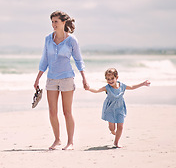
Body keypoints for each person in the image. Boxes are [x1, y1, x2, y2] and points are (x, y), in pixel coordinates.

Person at [34, 10, 89, 150]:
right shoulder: (48, 39)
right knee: (52, 111)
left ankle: (70, 142)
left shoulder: (72, 40)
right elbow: (44, 60)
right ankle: (57, 139)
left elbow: (78, 60)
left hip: (67, 78)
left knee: (67, 112)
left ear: (64, 22)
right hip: (51, 78)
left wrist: (84, 78)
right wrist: (37, 78)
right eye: (52, 22)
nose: (53, 24)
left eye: (56, 21)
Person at [85, 68, 150, 148]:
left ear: (117, 78)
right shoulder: (107, 88)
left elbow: (132, 87)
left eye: (112, 78)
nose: (110, 81)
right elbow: (97, 90)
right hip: (110, 109)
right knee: (112, 128)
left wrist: (143, 83)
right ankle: (112, 131)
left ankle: (116, 142)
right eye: (108, 79)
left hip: (120, 108)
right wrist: (88, 88)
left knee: (120, 126)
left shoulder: (122, 86)